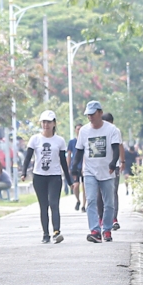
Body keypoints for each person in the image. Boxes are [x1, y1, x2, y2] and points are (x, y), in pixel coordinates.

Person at [72, 101, 123, 243]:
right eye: (88, 115)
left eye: (93, 114)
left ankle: (107, 230)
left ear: (100, 113)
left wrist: (113, 163)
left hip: (107, 171)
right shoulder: (84, 131)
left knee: (109, 203)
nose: (90, 117)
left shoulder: (111, 130)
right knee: (91, 200)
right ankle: (95, 230)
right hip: (89, 171)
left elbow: (115, 149)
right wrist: (74, 166)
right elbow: (79, 151)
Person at [21, 110, 72, 243]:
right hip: (39, 176)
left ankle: (56, 231)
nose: (46, 125)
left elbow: (63, 161)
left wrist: (69, 178)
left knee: (54, 204)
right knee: (43, 205)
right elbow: (28, 157)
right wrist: (23, 172)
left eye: (49, 122)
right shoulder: (35, 139)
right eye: (44, 122)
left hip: (55, 176)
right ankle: (45, 234)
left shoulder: (59, 140)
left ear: (54, 123)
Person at [67, 123, 83, 210]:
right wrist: (68, 167)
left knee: (85, 187)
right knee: (76, 185)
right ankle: (78, 200)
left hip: (84, 166)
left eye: (81, 129)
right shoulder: (72, 142)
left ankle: (84, 205)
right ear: (75, 130)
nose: (79, 131)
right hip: (75, 166)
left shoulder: (85, 141)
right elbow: (69, 154)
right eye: (78, 129)